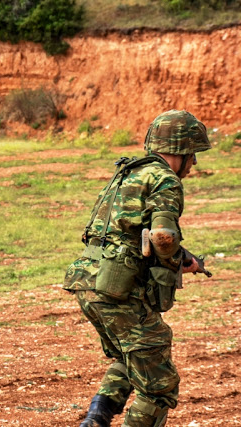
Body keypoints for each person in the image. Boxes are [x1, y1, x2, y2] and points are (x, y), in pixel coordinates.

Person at [63, 110, 211, 426]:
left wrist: (182, 257)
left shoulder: (128, 173)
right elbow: (161, 235)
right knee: (159, 387)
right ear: (181, 150)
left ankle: (95, 420)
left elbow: (125, 233)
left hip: (88, 281)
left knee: (129, 358)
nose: (194, 163)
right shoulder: (164, 178)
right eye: (192, 154)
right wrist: (175, 261)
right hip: (118, 290)